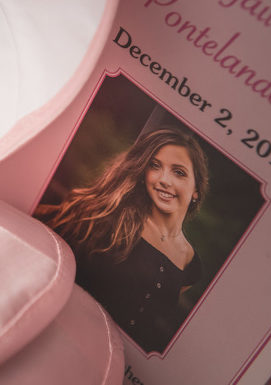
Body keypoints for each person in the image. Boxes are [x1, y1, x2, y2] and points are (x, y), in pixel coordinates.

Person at [38, 128, 209, 353]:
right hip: (60, 342)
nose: (164, 180)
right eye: (155, 166)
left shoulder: (191, 265)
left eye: (178, 172)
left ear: (196, 189)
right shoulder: (107, 217)